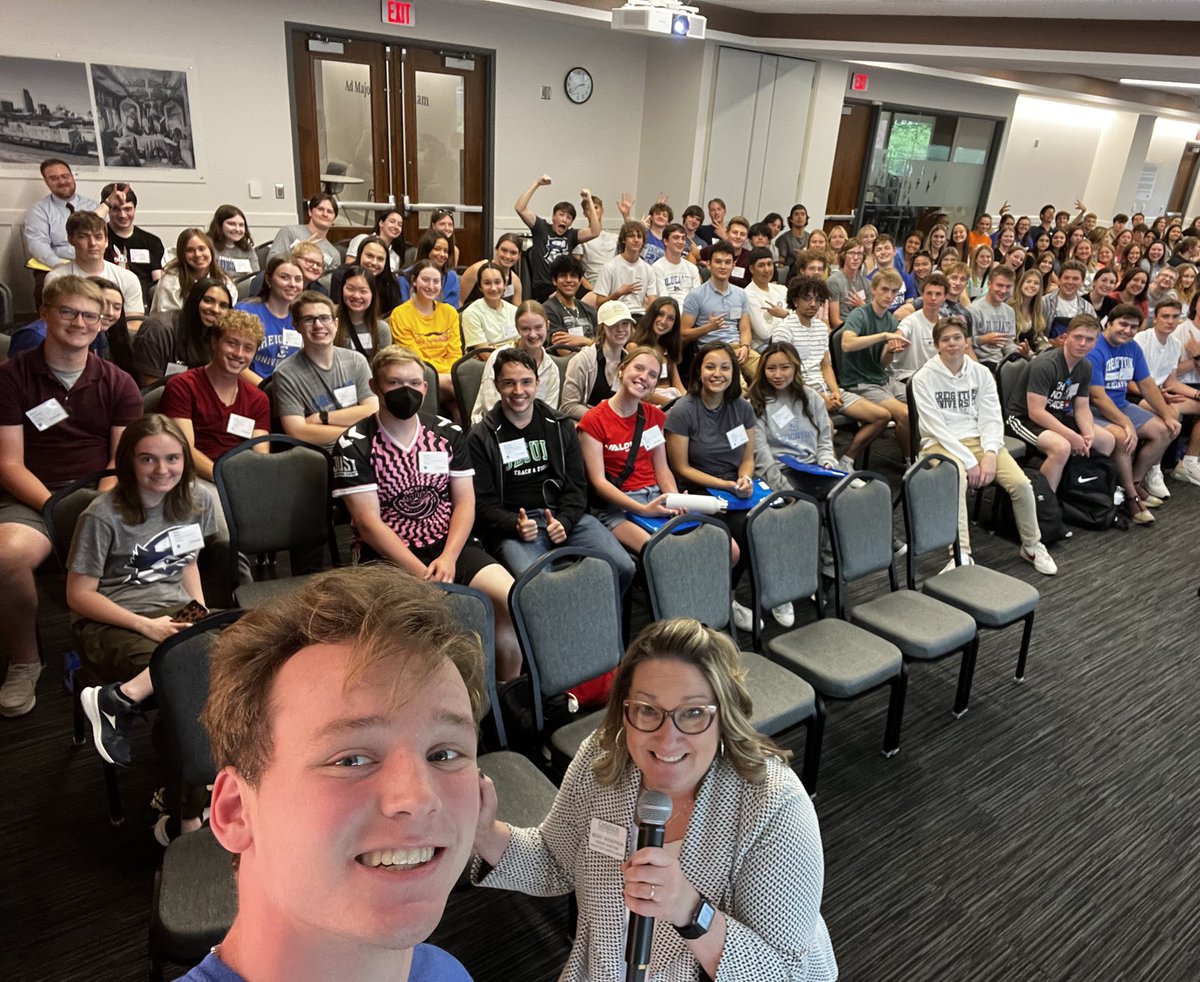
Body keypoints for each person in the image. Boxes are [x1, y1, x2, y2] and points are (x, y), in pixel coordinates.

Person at [473, 617, 838, 982]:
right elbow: (554, 861)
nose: (667, 740)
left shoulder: (774, 805)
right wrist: (485, 832)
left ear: (723, 715)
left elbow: (787, 974)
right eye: (648, 710)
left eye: (693, 713)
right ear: (625, 711)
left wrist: (690, 910)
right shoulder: (603, 762)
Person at [190, 566, 480, 982]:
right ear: (236, 811)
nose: (419, 798)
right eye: (351, 760)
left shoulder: (446, 972)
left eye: (444, 753)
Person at [331, 346, 521, 679]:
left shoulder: (448, 434)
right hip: (387, 556)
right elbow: (368, 523)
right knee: (419, 627)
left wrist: (448, 558)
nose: (405, 390)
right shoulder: (354, 443)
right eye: (394, 382)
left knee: (510, 599)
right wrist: (421, 573)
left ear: (424, 388)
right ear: (376, 386)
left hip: (448, 544)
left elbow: (464, 503)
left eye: (413, 382)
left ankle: (507, 690)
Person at [0, 276, 142, 718]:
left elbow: (120, 464)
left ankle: (135, 643)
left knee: (163, 541)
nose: (79, 322)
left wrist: (98, 511)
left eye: (89, 315)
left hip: (99, 492)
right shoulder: (11, 377)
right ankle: (25, 659)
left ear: (102, 323)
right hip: (31, 496)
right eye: (67, 312)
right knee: (6, 557)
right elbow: (8, 464)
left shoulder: (119, 383)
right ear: (44, 313)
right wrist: (56, 511)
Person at [71, 415, 217, 771]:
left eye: (172, 458)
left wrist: (197, 610)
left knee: (243, 657)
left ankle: (119, 699)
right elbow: (78, 596)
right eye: (147, 458)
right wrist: (143, 625)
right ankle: (186, 804)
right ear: (129, 462)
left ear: (185, 458)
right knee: (190, 678)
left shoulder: (197, 500)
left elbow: (187, 564)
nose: (162, 469)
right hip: (112, 620)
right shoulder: (102, 516)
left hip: (174, 607)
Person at [467, 347, 635, 593]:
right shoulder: (481, 436)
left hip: (563, 516)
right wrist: (515, 524)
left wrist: (565, 521)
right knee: (538, 588)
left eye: (526, 382)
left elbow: (578, 486)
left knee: (622, 566)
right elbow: (481, 503)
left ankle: (601, 621)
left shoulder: (559, 426)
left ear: (537, 382)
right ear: (496, 385)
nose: (518, 391)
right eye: (509, 383)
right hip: (513, 527)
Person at [911, 318, 1057, 574]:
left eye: (957, 337)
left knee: (1021, 484)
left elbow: (991, 418)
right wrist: (969, 461)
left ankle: (1032, 545)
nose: (952, 344)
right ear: (937, 346)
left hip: (980, 440)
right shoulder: (923, 378)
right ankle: (961, 554)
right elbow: (935, 427)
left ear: (967, 341)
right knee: (956, 481)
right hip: (941, 443)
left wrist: (990, 453)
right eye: (945, 340)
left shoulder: (981, 373)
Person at [665, 342, 758, 631]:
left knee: (762, 520)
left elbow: (747, 458)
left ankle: (735, 594)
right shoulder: (683, 411)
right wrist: (725, 484)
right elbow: (681, 468)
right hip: (697, 488)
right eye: (710, 366)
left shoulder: (741, 408)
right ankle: (716, 597)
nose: (717, 373)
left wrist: (744, 478)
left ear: (734, 372)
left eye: (725, 367)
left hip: (733, 485)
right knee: (737, 527)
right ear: (699, 371)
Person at [161, 309, 272, 536]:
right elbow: (184, 450)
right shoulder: (183, 387)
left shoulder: (258, 399)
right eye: (232, 343)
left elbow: (260, 454)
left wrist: (244, 483)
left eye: (248, 348)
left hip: (241, 479)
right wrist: (223, 479)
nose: (239, 354)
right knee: (225, 529)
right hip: (194, 477)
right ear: (214, 342)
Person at [772, 274, 889, 472]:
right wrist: (819, 398)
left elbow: (826, 365)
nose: (813, 304)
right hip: (798, 392)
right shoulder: (784, 330)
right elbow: (785, 375)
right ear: (795, 300)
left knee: (882, 416)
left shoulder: (820, 327)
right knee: (826, 425)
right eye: (807, 298)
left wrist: (834, 391)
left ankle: (846, 461)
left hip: (826, 388)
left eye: (818, 299)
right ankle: (832, 477)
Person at [578, 346, 681, 555]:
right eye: (639, 368)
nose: (644, 377)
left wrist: (675, 499)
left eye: (652, 375)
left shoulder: (653, 416)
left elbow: (662, 468)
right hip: (618, 507)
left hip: (655, 497)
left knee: (724, 546)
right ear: (622, 369)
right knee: (665, 553)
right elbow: (599, 483)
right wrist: (643, 509)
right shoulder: (593, 420)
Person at [1087, 304, 1181, 517]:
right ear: (1109, 323)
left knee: (1165, 430)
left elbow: (1147, 384)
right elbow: (1098, 398)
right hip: (1092, 410)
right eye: (1122, 324)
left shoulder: (1132, 348)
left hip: (1120, 405)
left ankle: (1135, 482)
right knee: (1123, 437)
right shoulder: (1095, 349)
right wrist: (1126, 423)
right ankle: (1131, 497)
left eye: (1133, 327)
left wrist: (1167, 415)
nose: (1127, 331)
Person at [272, 292, 378, 452]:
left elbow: (372, 410)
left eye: (324, 318)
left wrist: (323, 418)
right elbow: (298, 431)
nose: (318, 325)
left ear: (335, 323)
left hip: (363, 451)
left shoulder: (356, 360)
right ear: (297, 326)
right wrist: (356, 431)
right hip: (320, 456)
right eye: (309, 319)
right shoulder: (286, 374)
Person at [837, 269, 911, 459]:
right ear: (874, 289)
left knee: (924, 402)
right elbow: (846, 344)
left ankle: (920, 453)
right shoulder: (859, 315)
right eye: (885, 289)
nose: (889, 296)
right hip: (859, 382)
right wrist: (884, 336)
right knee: (904, 413)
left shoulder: (890, 320)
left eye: (894, 292)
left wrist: (890, 350)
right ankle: (911, 462)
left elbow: (883, 363)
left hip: (882, 379)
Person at [1134, 299, 1200, 490]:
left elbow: (1171, 382)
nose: (1170, 321)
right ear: (1155, 319)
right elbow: (1131, 382)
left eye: (1174, 317)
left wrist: (1197, 394)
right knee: (1170, 412)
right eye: (1165, 316)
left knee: (1178, 406)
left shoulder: (1175, 344)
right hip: (1140, 393)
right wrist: (1157, 396)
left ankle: (1189, 461)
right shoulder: (1142, 339)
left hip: (1162, 392)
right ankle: (1155, 469)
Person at [44, 210, 145, 330]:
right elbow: (53, 322)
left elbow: (134, 324)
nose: (92, 243)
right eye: (83, 237)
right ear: (71, 240)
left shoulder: (128, 278)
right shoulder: (56, 278)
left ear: (106, 241)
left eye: (98, 237)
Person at [388, 259, 462, 418]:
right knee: (463, 391)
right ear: (414, 281)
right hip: (418, 376)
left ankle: (458, 439)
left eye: (436, 281)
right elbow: (414, 358)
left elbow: (455, 353)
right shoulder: (400, 314)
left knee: (457, 406)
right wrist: (445, 377)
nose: (431, 286)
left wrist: (449, 375)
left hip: (448, 377)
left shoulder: (449, 312)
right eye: (425, 280)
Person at [514, 175, 601, 301]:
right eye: (561, 215)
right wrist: (537, 183)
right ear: (553, 217)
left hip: (567, 284)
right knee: (562, 299)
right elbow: (520, 208)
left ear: (571, 222)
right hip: (545, 287)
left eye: (569, 217)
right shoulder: (540, 227)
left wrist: (589, 200)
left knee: (594, 299)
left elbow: (595, 231)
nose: (564, 219)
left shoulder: (572, 235)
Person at [472, 302, 560, 425]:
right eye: (525, 329)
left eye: (538, 327)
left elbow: (549, 412)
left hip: (533, 430)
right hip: (494, 427)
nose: (533, 334)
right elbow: (490, 406)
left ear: (548, 325)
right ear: (517, 328)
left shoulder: (552, 369)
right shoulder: (498, 357)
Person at [133, 278, 233, 387]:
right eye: (208, 301)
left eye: (223, 306)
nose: (216, 309)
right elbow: (151, 387)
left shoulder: (217, 333)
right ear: (194, 300)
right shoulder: (158, 329)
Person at [680, 242, 756, 378]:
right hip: (712, 349)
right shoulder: (696, 295)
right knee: (738, 385)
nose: (723, 266)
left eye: (727, 262)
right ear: (709, 264)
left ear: (733, 265)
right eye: (718, 262)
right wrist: (708, 328)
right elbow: (683, 333)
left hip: (738, 347)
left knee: (768, 372)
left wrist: (745, 346)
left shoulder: (741, 293)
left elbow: (745, 329)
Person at [560, 300, 635, 421]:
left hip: (620, 427)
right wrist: (603, 418)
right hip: (590, 425)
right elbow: (569, 406)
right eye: (614, 324)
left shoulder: (631, 363)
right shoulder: (582, 360)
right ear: (602, 328)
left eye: (625, 323)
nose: (621, 329)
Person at [235, 256, 305, 383]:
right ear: (269, 280)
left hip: (290, 390)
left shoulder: (302, 316)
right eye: (285, 277)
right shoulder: (246, 312)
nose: (293, 284)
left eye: (298, 279)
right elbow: (235, 362)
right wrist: (266, 389)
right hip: (252, 388)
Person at [23, 159, 99, 274]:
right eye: (54, 178)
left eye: (65, 176)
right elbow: (38, 244)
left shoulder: (94, 206)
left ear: (72, 177)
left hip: (93, 264)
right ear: (46, 181)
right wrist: (60, 267)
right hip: (57, 266)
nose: (62, 182)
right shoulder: (39, 211)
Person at [101, 183, 164, 306]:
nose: (122, 215)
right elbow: (85, 225)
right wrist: (107, 202)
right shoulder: (98, 239)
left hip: (142, 301)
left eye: (127, 209)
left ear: (135, 208)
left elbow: (158, 282)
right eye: (115, 209)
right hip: (107, 299)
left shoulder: (152, 241)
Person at [152, 228, 236, 315]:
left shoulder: (225, 281)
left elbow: (227, 315)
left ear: (210, 250)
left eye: (202, 249)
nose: (198, 254)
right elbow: (171, 320)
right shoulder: (171, 280)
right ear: (182, 255)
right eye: (190, 250)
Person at [629, 297, 686, 407]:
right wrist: (670, 403)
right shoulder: (634, 347)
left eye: (670, 318)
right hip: (646, 405)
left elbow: (679, 387)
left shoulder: (667, 349)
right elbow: (636, 388)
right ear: (652, 314)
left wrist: (690, 403)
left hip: (671, 402)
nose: (664, 321)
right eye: (660, 314)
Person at [590, 221, 656, 312]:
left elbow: (653, 302)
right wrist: (618, 294)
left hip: (639, 314)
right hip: (615, 314)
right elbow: (598, 304)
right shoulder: (610, 267)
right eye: (631, 236)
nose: (636, 240)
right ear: (624, 239)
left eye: (639, 237)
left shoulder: (648, 269)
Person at [268, 193, 341, 271]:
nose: (325, 214)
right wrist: (298, 252)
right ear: (310, 212)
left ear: (334, 220)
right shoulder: (290, 232)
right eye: (320, 209)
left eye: (329, 211)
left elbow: (330, 281)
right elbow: (271, 261)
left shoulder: (334, 254)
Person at [335, 265, 391, 362]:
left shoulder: (381, 329)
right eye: (350, 288)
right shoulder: (328, 319)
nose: (356, 296)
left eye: (363, 291)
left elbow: (381, 367)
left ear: (372, 294)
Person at [967, 265, 1019, 367]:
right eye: (999, 285)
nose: (1003, 290)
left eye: (1008, 287)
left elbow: (1008, 343)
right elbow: (965, 344)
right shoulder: (973, 310)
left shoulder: (1009, 311)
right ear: (989, 284)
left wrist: (1019, 352)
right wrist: (984, 339)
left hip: (1002, 361)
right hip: (980, 361)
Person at [461, 263, 518, 353]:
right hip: (488, 364)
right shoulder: (471, 313)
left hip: (516, 361)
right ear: (480, 287)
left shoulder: (514, 311)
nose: (493, 288)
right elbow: (484, 353)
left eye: (497, 282)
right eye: (487, 283)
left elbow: (522, 344)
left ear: (504, 284)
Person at [398, 231, 461, 310]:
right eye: (437, 249)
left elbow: (451, 310)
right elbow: (403, 309)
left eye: (445, 251)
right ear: (426, 250)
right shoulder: (405, 276)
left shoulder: (451, 277)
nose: (442, 254)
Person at [460, 233, 524, 308]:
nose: (507, 256)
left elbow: (517, 313)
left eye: (513, 253)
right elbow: (459, 301)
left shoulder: (515, 281)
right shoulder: (476, 270)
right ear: (496, 250)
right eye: (504, 250)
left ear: (519, 255)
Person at [744, 247, 789, 351]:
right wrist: (786, 316)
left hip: (788, 339)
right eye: (761, 265)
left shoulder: (782, 289)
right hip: (764, 346)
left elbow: (798, 320)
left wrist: (784, 315)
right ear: (751, 269)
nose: (767, 270)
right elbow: (764, 334)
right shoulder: (748, 294)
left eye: (769, 264)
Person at [1040, 260, 1094, 343]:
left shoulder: (1088, 308)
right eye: (1066, 278)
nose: (1070, 282)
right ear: (1059, 280)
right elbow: (1035, 334)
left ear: (1082, 282)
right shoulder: (1043, 303)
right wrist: (1051, 342)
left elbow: (1092, 336)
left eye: (1075, 279)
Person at [652, 222, 703, 306]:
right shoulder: (657, 267)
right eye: (676, 238)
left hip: (691, 312)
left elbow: (697, 297)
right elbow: (663, 299)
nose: (681, 242)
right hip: (669, 311)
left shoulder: (692, 268)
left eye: (683, 238)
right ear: (665, 241)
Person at [346, 207, 407, 274]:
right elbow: (349, 269)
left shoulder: (395, 257)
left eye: (400, 225)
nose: (396, 227)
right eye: (392, 222)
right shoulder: (361, 239)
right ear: (381, 223)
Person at [826, 238, 868, 329]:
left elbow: (871, 318)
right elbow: (835, 321)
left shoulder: (867, 283)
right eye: (852, 253)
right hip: (841, 330)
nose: (856, 258)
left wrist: (862, 306)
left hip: (862, 328)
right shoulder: (834, 281)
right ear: (844, 255)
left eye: (859, 254)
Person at [207, 204, 259, 277]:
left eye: (241, 225)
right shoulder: (207, 245)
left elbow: (256, 277)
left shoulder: (247, 249)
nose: (237, 229)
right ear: (219, 225)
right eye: (232, 224)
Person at [1012, 268, 1049, 354]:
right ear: (1021, 284)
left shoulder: (1038, 309)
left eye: (1036, 283)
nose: (1032, 285)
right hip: (1015, 354)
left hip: (1032, 354)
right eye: (1028, 281)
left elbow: (1037, 338)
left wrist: (1047, 349)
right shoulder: (1010, 307)